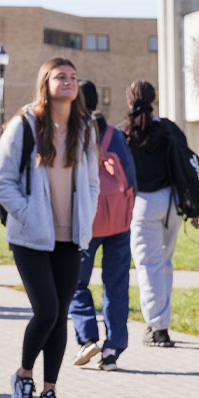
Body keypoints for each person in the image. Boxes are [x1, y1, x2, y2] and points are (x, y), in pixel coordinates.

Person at [0, 57, 99, 398]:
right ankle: (24, 376)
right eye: (60, 76)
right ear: (46, 82)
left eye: (73, 77)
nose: (69, 82)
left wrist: (87, 217)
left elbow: (92, 182)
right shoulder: (24, 125)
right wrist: (30, 216)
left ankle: (50, 392)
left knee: (61, 315)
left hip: (71, 238)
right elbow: (1, 183)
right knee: (47, 311)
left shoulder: (85, 128)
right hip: (31, 238)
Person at [125, 80, 199, 348]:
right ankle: (161, 323)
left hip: (143, 204)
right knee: (164, 263)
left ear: (128, 101)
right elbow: (186, 165)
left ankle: (158, 328)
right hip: (171, 203)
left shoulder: (127, 133)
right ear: (154, 99)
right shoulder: (168, 129)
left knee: (149, 266)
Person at [68, 80, 136, 371]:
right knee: (116, 285)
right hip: (118, 221)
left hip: (86, 220)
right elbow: (132, 178)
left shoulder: (72, 136)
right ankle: (112, 349)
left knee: (75, 282)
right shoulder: (113, 135)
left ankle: (87, 339)